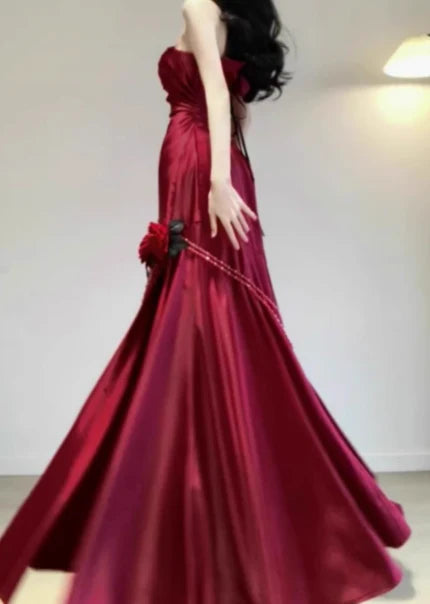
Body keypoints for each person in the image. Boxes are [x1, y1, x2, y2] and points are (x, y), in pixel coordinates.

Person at [0, 0, 411, 602]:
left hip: (199, 161)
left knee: (202, 297)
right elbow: (231, 101)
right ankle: (220, 488)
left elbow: (217, 94)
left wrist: (218, 180)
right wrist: (226, 170)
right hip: (207, 158)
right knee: (208, 302)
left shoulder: (199, 4)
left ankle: (216, 493)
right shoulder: (220, 14)